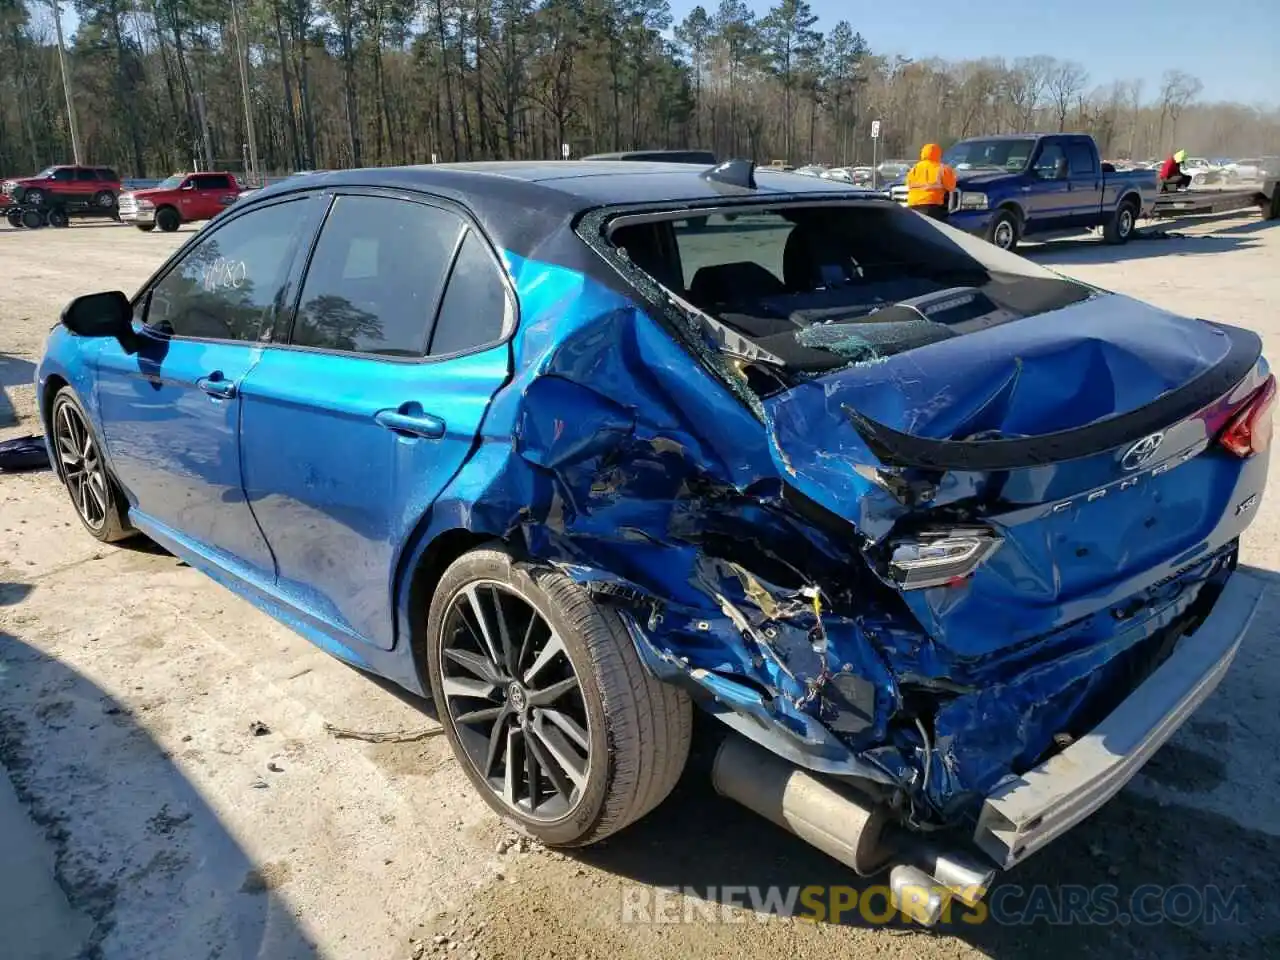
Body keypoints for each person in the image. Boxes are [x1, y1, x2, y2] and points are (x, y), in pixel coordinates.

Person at [906, 143, 958, 221]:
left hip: (913, 205)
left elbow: (908, 184)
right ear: (939, 154)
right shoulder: (943, 169)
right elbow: (951, 187)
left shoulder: (914, 168)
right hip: (932, 206)